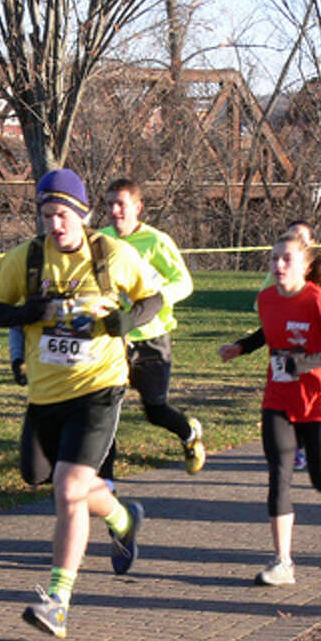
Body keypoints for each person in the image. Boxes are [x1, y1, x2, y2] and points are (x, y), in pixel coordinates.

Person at [0, 168, 163, 639]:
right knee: (39, 476)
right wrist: (27, 312)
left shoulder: (112, 255)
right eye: (47, 216)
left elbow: (154, 298)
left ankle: (57, 602)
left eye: (62, 215)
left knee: (68, 489)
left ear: (82, 214)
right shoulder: (27, 257)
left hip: (99, 387)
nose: (55, 224)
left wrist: (124, 321)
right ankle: (123, 517)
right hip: (46, 392)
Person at [218, 232, 321, 585]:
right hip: (279, 398)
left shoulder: (319, 300)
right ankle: (282, 562)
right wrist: (241, 347)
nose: (278, 265)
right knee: (279, 475)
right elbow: (269, 331)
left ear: (305, 265)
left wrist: (302, 363)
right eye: (274, 258)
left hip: (319, 401)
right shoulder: (266, 298)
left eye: (286, 259)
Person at [96, 178, 205, 479]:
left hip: (151, 339)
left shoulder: (156, 241)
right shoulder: (99, 241)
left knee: (155, 409)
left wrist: (153, 300)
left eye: (121, 204)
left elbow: (184, 282)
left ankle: (189, 434)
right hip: (113, 340)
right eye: (109, 204)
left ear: (138, 207)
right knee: (105, 412)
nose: (114, 211)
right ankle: (106, 483)